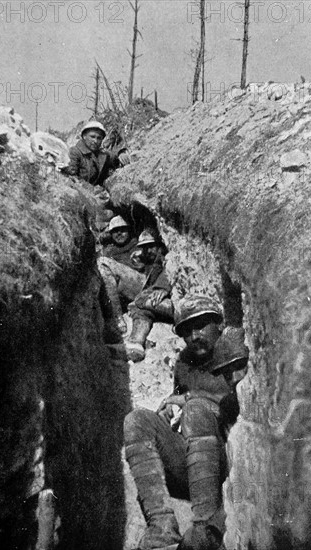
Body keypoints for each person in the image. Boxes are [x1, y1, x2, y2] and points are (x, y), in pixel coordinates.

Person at [124, 295, 249, 550]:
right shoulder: (184, 364)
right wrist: (168, 412)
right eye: (187, 331)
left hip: (233, 462)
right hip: (197, 464)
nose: (194, 335)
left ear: (218, 323)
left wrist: (190, 399)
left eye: (201, 325)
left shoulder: (235, 346)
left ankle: (204, 525)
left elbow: (238, 397)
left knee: (195, 410)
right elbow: (180, 406)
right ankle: (161, 526)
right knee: (136, 420)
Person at [125, 230, 174, 363]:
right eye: (144, 248)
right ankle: (136, 343)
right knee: (142, 309)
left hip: (179, 306)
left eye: (151, 246)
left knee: (141, 300)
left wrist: (163, 287)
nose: (148, 251)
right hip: (160, 304)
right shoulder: (149, 260)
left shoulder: (169, 257)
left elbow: (172, 266)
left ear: (160, 246)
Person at [97, 216, 145, 334]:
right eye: (115, 231)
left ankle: (117, 318)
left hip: (142, 287)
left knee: (103, 262)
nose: (119, 233)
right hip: (124, 293)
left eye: (123, 229)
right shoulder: (108, 250)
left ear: (129, 230)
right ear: (110, 234)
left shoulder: (138, 245)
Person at [66, 120, 129, 187]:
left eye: (99, 138)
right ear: (84, 136)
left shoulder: (103, 154)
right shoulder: (75, 152)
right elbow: (72, 177)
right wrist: (92, 190)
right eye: (92, 137)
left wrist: (121, 153)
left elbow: (115, 157)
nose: (95, 141)